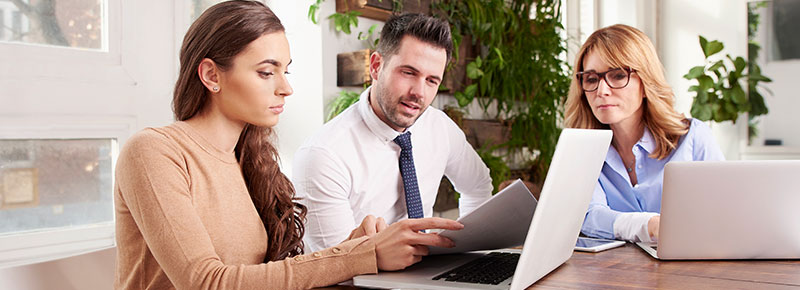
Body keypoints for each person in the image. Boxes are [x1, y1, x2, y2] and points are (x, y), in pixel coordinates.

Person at [113, 2, 463, 289]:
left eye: (286, 71)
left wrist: (354, 245)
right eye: (267, 72)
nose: (286, 88)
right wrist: (362, 255)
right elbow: (206, 282)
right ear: (211, 75)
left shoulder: (250, 159)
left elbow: (269, 276)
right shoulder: (153, 153)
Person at [293, 13, 493, 252]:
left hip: (428, 275)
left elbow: (478, 185)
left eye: (432, 80)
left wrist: (468, 251)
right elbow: (333, 263)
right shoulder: (324, 154)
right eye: (409, 73)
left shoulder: (439, 126)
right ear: (376, 66)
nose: (419, 92)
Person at [564, 24, 725, 243]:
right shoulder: (581, 149)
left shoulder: (692, 136)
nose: (602, 90)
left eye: (618, 75)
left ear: (646, 80)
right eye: (591, 79)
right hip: (613, 272)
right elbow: (589, 216)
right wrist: (650, 226)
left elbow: (723, 213)